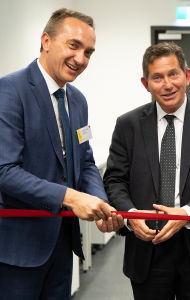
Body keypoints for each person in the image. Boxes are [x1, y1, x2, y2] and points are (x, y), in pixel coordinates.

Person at [0, 8, 124, 299]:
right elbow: (5, 171)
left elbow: (85, 160)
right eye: (73, 45)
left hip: (62, 244)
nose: (81, 59)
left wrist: (100, 203)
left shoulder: (78, 101)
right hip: (19, 249)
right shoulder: (10, 91)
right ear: (46, 40)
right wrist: (71, 198)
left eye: (89, 52)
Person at [103, 42, 190, 300]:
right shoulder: (127, 125)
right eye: (157, 77)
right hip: (147, 248)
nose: (167, 85)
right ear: (146, 84)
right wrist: (130, 215)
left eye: (173, 74)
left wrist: (187, 214)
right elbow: (114, 180)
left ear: (187, 76)